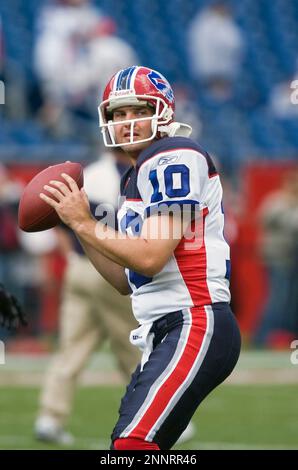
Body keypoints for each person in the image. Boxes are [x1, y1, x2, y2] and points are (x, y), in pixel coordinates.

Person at [40, 65, 241, 450]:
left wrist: (85, 224)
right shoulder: (132, 177)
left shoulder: (173, 154)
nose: (127, 122)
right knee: (130, 444)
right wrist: (73, 227)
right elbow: (122, 278)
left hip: (194, 320)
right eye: (118, 114)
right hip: (164, 328)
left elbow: (150, 257)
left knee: (133, 446)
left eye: (137, 110)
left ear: (163, 112)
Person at [34, 149, 141, 445]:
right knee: (133, 346)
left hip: (80, 268)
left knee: (71, 348)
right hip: (109, 270)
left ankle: (50, 417)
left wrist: (71, 257)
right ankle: (155, 415)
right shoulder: (133, 178)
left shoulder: (90, 175)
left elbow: (61, 223)